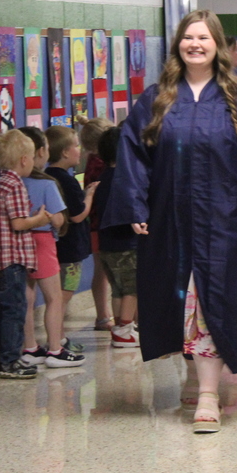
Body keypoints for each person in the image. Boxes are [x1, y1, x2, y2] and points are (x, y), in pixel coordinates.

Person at [104, 9, 237, 433]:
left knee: (213, 301)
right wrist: (136, 207)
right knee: (179, 300)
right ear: (178, 45)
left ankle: (208, 394)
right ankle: (192, 371)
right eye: (188, 38)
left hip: (226, 223)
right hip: (171, 221)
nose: (195, 45)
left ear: (218, 45)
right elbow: (133, 156)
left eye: (204, 38)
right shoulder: (156, 99)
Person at [0, 130, 51, 379]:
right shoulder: (15, 185)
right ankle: (10, 360)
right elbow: (19, 223)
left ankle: (8, 356)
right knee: (15, 309)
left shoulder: (0, 182)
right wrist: (40, 218)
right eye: (32, 157)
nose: (34, 162)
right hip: (11, 260)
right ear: (24, 160)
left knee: (6, 308)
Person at [17, 126, 82, 369]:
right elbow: (57, 219)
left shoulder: (13, 183)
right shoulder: (47, 184)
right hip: (43, 243)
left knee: (27, 296)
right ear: (41, 152)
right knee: (54, 298)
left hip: (20, 242)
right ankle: (55, 348)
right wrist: (56, 220)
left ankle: (30, 346)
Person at [45, 125, 99, 354]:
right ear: (65, 152)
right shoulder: (66, 181)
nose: (80, 150)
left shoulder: (46, 176)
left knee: (58, 297)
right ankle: (56, 341)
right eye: (76, 145)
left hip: (55, 247)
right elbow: (78, 215)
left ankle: (60, 337)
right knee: (63, 298)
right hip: (70, 250)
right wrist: (89, 195)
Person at [94, 126, 139, 347]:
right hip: (126, 244)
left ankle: (121, 329)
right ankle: (125, 328)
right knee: (133, 288)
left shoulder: (102, 178)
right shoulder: (125, 180)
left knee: (118, 288)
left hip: (106, 244)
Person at [79, 116, 116, 331]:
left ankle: (103, 315)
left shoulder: (92, 161)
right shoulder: (101, 164)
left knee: (101, 271)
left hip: (95, 224)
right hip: (103, 224)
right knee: (106, 272)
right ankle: (105, 315)